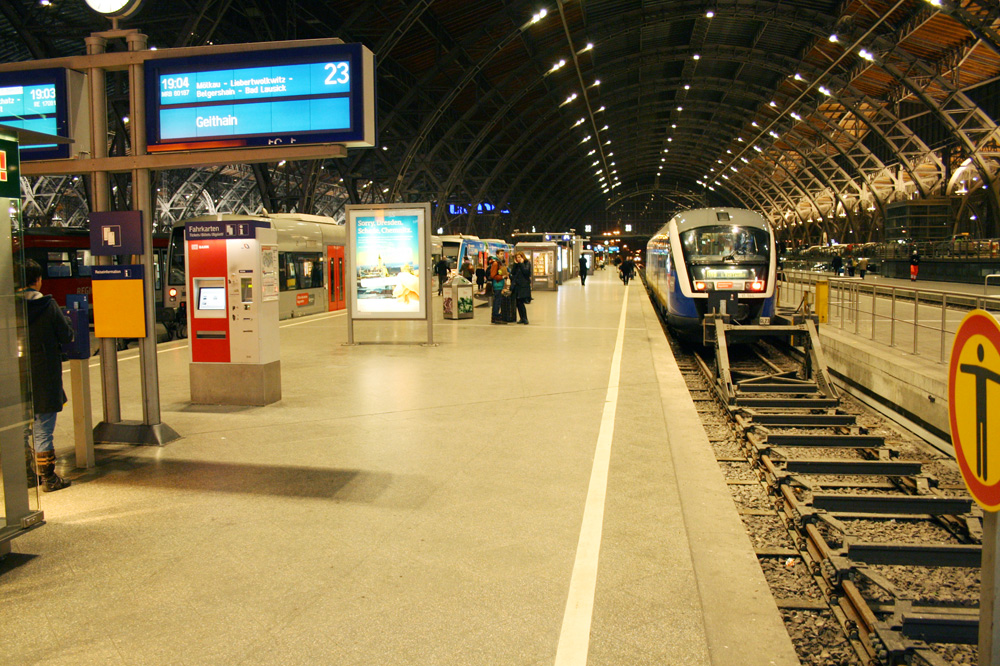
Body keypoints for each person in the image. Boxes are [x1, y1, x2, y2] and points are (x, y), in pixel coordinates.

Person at [19, 259, 73, 492]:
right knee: (43, 428)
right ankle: (49, 479)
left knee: (21, 428)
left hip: (17, 376)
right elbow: (66, 335)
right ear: (38, 280)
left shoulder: (7, 307)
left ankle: (26, 475)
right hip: (45, 374)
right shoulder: (48, 305)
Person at [510, 251, 532, 324]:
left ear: (522, 257)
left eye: (519, 257)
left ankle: (525, 318)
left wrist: (522, 264)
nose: (518, 259)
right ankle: (522, 318)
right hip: (516, 286)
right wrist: (515, 264)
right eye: (516, 257)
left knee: (521, 302)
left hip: (523, 286)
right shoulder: (517, 264)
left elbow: (526, 272)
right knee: (518, 302)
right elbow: (513, 272)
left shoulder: (526, 263)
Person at [488, 256, 509, 324]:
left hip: (499, 285)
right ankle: (495, 316)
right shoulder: (495, 263)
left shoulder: (499, 263)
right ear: (497, 254)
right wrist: (502, 277)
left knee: (498, 301)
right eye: (500, 254)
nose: (502, 255)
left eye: (503, 254)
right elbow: (493, 275)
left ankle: (496, 316)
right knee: (497, 302)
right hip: (497, 285)